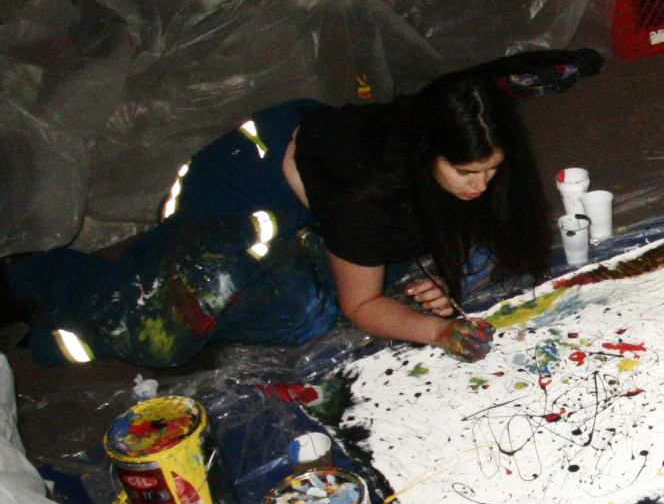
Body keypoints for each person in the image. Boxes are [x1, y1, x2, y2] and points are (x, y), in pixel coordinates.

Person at [5, 49, 601, 369]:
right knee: (178, 331)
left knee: (471, 265)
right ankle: (33, 275)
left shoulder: (442, 146)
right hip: (243, 203)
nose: (483, 183)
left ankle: (319, 266)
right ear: (424, 159)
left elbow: (485, 102)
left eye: (491, 169)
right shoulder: (367, 187)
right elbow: (361, 305)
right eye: (468, 173)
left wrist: (427, 273)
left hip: (337, 202)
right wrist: (438, 329)